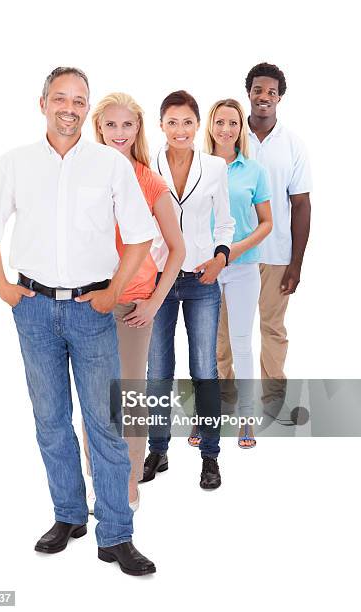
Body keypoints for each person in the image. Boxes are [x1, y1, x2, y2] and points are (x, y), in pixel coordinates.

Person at [0, 67, 159, 576]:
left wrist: (114, 292)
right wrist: (3, 289)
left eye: (79, 99)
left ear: (87, 107)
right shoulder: (14, 163)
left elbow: (141, 237)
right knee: (51, 421)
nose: (70, 107)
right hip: (32, 309)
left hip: (91, 309)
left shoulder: (110, 165)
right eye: (61, 98)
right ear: (43, 103)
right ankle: (68, 516)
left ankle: (116, 535)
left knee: (105, 425)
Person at [82, 92, 185, 511]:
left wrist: (156, 301)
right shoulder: (85, 177)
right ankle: (99, 483)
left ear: (138, 129)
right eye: (111, 125)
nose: (119, 133)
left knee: (127, 400)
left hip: (132, 308)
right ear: (99, 128)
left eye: (128, 125)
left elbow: (177, 249)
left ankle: (128, 486)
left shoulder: (150, 182)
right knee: (92, 399)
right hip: (88, 302)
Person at [142, 90, 235, 490]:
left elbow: (226, 223)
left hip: (201, 280)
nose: (180, 130)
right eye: (172, 122)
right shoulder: (146, 166)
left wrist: (220, 257)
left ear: (198, 126)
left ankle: (210, 456)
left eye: (188, 123)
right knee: (158, 371)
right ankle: (158, 449)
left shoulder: (215, 167)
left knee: (205, 370)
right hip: (158, 280)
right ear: (160, 125)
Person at [217, 63, 312, 423]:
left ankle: (272, 403)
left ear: (280, 97)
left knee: (272, 328)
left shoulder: (292, 145)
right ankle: (225, 401)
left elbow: (301, 204)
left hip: (275, 255)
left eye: (272, 92)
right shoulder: (227, 139)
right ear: (249, 93)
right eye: (259, 90)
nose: (264, 97)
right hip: (231, 256)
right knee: (222, 331)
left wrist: (296, 263)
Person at [204, 98, 272, 447]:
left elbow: (266, 224)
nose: (226, 129)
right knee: (207, 348)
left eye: (233, 122)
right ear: (210, 126)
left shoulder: (254, 171)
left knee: (242, 343)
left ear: (241, 128)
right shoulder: (198, 165)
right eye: (220, 122)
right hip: (204, 269)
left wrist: (235, 250)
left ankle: (246, 418)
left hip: (243, 267)